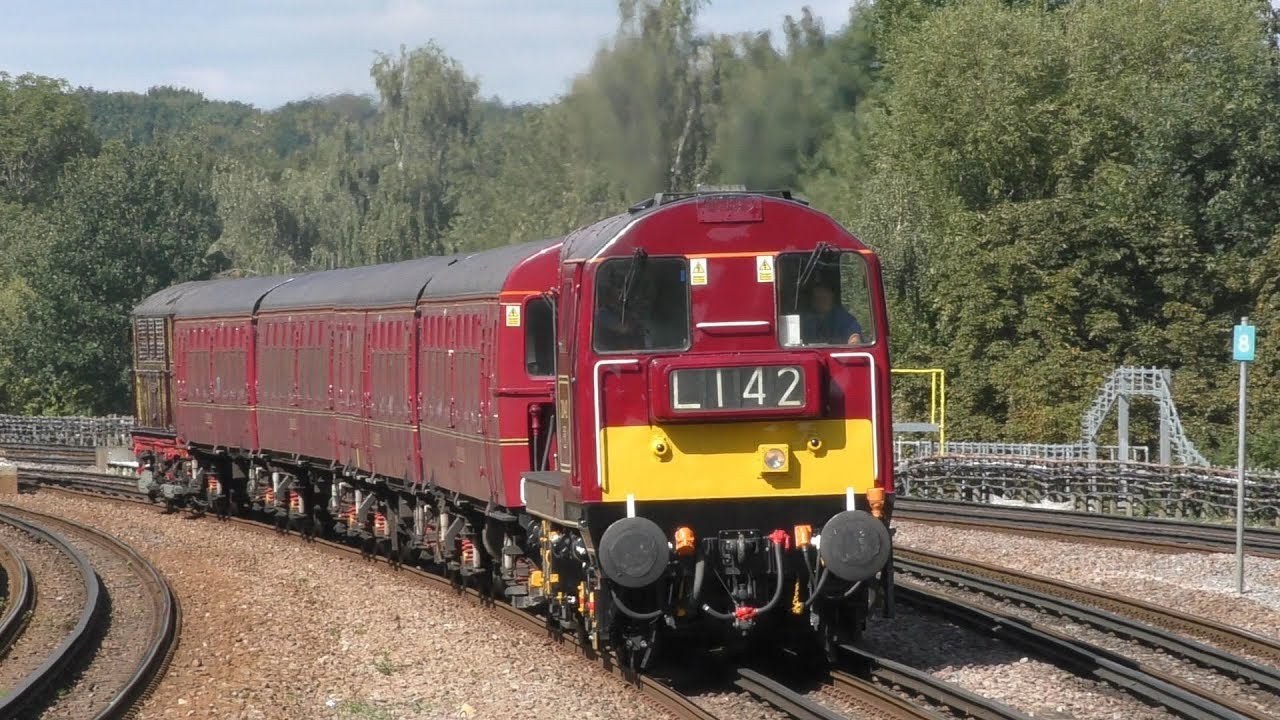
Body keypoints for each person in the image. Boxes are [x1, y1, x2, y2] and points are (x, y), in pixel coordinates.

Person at [594, 272, 648, 350]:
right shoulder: (603, 314)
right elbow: (623, 329)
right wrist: (636, 322)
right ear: (610, 292)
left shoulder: (625, 311)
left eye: (623, 289)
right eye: (618, 288)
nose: (621, 292)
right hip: (610, 353)